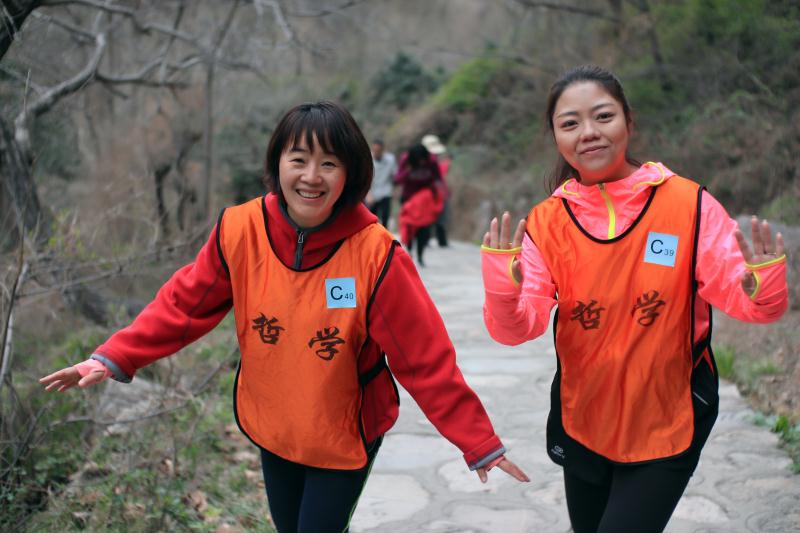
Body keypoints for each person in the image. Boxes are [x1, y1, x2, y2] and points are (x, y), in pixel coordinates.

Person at [40, 101, 529, 533]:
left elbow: (424, 358)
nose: (311, 176)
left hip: (345, 431)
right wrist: (113, 356)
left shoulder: (376, 255)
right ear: (278, 163)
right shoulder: (239, 230)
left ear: (350, 174)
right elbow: (183, 305)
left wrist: (477, 441)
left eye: (328, 163)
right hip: (274, 422)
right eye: (298, 159)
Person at [480, 65, 788, 533]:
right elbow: (518, 329)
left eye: (603, 116)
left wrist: (760, 283)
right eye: (570, 123)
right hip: (584, 418)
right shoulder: (546, 223)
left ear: (629, 120)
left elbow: (756, 307)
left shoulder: (688, 204)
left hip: (669, 417)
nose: (588, 132)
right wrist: (504, 289)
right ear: (556, 137)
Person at [395, 143, 444, 266]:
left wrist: (439, 195)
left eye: (423, 159)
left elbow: (438, 179)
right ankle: (409, 251)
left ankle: (420, 255)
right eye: (419, 160)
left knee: (423, 228)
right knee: (409, 226)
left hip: (425, 201)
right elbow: (397, 179)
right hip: (408, 199)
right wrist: (408, 171)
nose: (422, 162)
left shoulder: (431, 162)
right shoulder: (406, 161)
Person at [421, 134, 451, 247]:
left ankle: (429, 239)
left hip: (436, 193)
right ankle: (438, 240)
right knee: (437, 217)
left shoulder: (431, 160)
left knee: (434, 217)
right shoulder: (431, 161)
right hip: (433, 193)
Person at [366, 138, 396, 228]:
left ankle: (385, 234)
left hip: (386, 191)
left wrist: (394, 190)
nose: (376, 152)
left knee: (385, 216)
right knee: (372, 218)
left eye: (378, 150)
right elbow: (364, 178)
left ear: (382, 150)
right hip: (372, 192)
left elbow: (394, 175)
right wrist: (368, 194)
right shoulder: (367, 159)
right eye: (375, 150)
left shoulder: (390, 159)